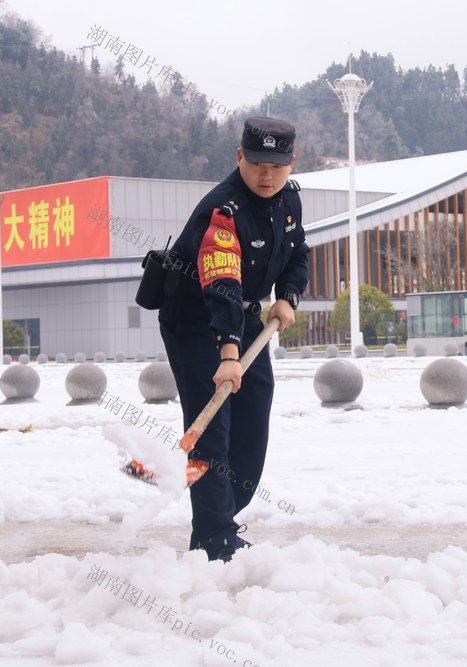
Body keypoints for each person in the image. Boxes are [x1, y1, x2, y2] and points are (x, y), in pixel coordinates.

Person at [159, 116, 309, 562]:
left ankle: (221, 514)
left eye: (277, 166)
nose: (267, 175)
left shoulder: (288, 202)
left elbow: (298, 250)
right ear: (239, 156)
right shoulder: (222, 210)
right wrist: (227, 353)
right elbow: (220, 282)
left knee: (252, 414)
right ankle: (214, 537)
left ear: (291, 163)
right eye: (257, 163)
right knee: (213, 428)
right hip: (196, 318)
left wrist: (289, 296)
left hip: (244, 314)